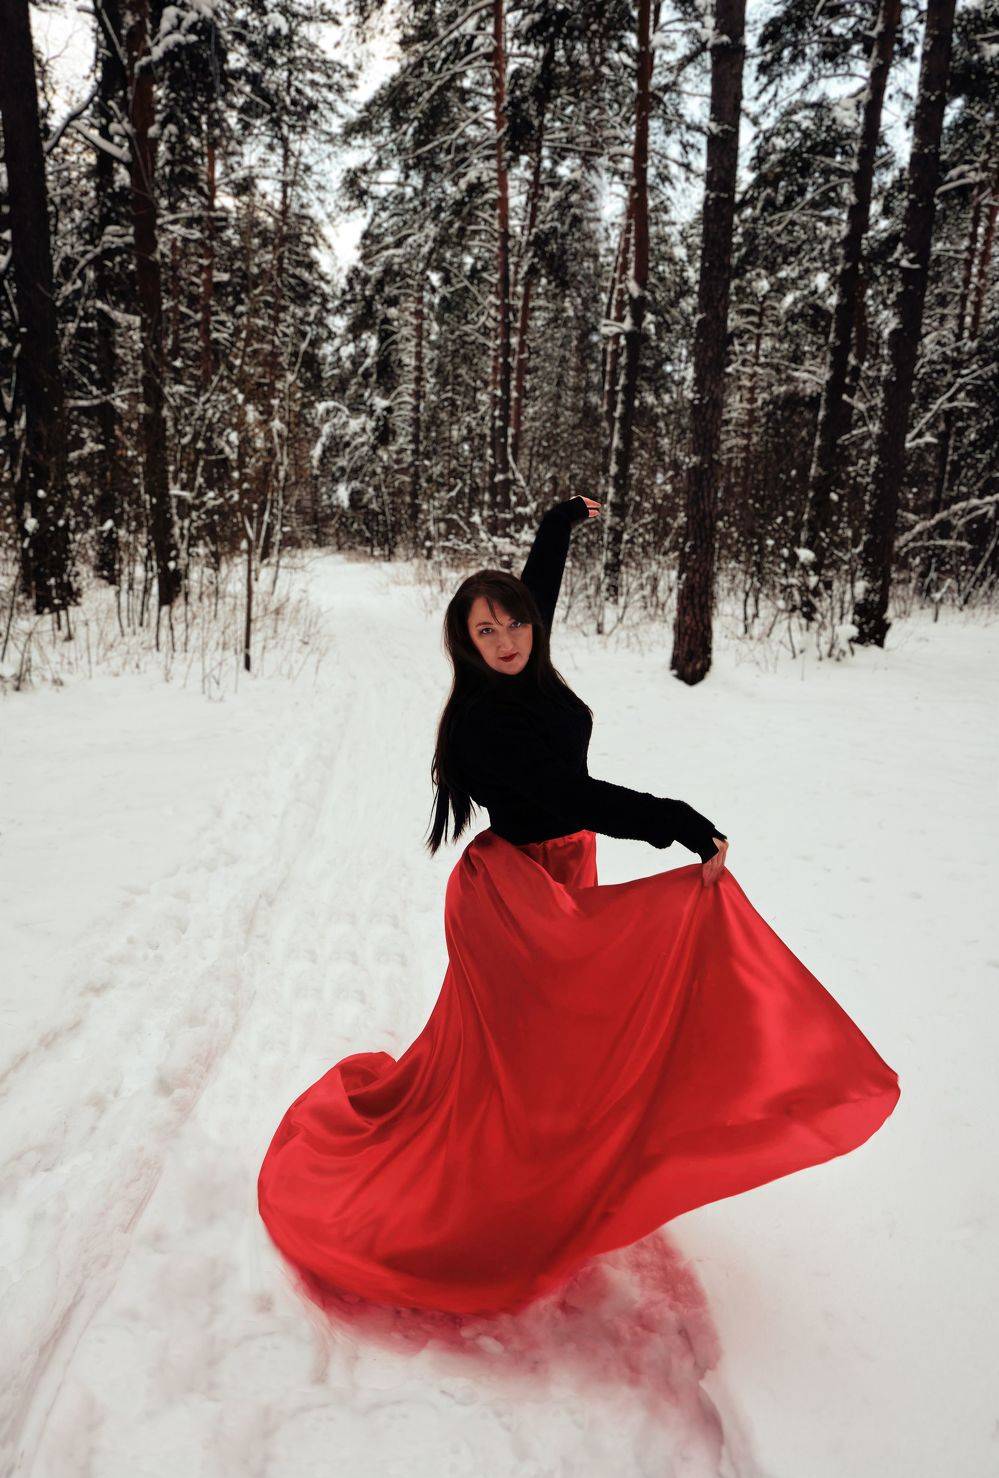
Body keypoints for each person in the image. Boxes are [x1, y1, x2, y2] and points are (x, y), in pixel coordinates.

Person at [257, 497, 901, 1319]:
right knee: (525, 1057)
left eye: (512, 625)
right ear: (464, 645)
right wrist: (675, 820)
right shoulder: (482, 723)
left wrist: (557, 527)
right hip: (516, 899)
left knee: (547, 1045)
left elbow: (537, 596)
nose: (506, 641)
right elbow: (570, 796)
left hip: (559, 872)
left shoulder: (524, 655)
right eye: (485, 632)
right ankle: (499, 1198)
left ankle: (558, 1155)